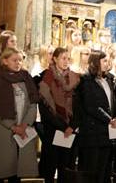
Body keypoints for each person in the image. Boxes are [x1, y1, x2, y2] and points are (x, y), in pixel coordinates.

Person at [0, 47, 40, 183]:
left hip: (23, 129)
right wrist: (12, 126)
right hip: (4, 130)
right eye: (14, 60)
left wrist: (24, 125)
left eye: (20, 60)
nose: (18, 63)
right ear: (5, 61)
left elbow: (33, 103)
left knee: (18, 170)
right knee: (2, 169)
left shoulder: (25, 78)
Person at [75, 50, 116, 183]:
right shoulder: (86, 80)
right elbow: (91, 106)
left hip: (108, 132)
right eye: (104, 61)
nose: (108, 63)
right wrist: (109, 119)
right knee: (92, 171)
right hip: (92, 132)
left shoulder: (109, 79)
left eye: (108, 60)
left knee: (104, 170)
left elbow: (114, 103)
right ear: (96, 63)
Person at [37, 47, 81, 183]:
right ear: (55, 59)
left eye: (68, 58)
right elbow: (44, 107)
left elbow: (79, 106)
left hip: (70, 130)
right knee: (50, 167)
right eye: (63, 58)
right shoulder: (46, 77)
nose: (66, 61)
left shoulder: (75, 78)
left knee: (66, 167)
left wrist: (72, 126)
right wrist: (63, 126)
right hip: (53, 128)